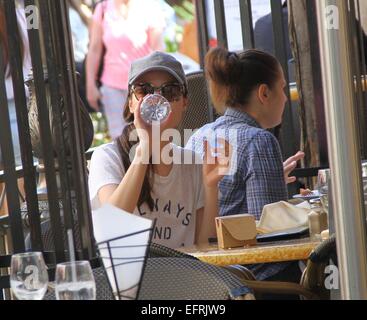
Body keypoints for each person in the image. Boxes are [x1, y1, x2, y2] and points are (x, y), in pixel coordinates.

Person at [185, 48, 304, 289]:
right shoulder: (258, 140)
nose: (286, 95)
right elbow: (270, 232)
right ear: (264, 93)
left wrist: (272, 178)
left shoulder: (199, 136)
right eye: (282, 87)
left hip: (209, 278)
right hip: (257, 281)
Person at [88, 52, 229, 248]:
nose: (156, 100)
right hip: (132, 278)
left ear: (185, 102)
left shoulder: (193, 162)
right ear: (131, 102)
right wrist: (145, 149)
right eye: (144, 91)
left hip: (183, 276)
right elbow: (114, 224)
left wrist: (211, 186)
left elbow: (204, 246)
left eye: (169, 91)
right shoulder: (107, 157)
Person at [86, 0, 166, 139]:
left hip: (144, 87)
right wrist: (90, 84)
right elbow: (94, 49)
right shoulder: (103, 8)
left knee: (147, 136)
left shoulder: (150, 7)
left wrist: (159, 85)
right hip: (112, 87)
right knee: (120, 139)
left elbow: (158, 50)